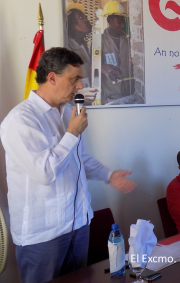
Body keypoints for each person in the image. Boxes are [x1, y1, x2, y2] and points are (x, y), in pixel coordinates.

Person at [0, 47, 136, 283]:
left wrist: (108, 174)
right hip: (44, 234)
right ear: (52, 77)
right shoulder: (21, 120)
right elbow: (45, 172)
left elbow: (77, 157)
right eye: (74, 79)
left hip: (78, 225)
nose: (80, 86)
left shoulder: (64, 113)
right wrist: (72, 133)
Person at [65, 3, 98, 104]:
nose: (86, 20)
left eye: (85, 17)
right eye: (80, 17)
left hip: (87, 98)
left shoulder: (83, 44)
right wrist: (77, 93)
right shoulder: (68, 47)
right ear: (72, 24)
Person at [101, 0, 134, 104]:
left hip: (129, 94)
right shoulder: (100, 41)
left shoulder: (128, 40)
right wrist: (102, 66)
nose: (123, 25)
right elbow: (92, 67)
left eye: (123, 22)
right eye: (119, 22)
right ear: (109, 20)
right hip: (111, 97)